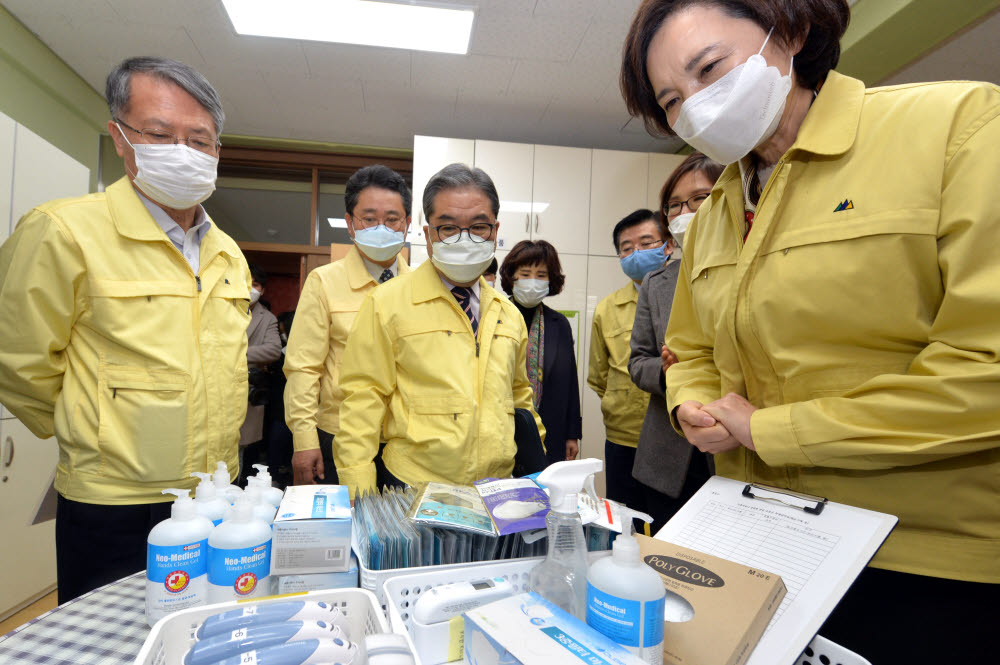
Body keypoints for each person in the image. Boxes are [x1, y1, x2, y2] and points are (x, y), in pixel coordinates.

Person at [620, 1, 999, 661]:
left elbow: (983, 370)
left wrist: (771, 429)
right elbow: (691, 347)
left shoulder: (956, 126)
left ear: (790, 30)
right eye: (673, 101)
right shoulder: (716, 214)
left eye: (711, 68)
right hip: (759, 536)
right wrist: (692, 400)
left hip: (921, 558)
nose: (699, 108)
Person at [0, 56, 249, 602]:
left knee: (203, 627)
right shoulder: (64, 230)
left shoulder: (227, 251)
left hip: (213, 495)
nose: (183, 152)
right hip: (113, 501)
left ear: (216, 153)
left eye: (199, 140)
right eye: (160, 134)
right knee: (109, 643)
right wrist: (95, 433)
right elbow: (19, 363)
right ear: (120, 137)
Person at [335, 163, 545, 498]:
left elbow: (520, 399)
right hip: (413, 487)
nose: (464, 239)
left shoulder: (508, 314)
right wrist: (358, 496)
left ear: (495, 230)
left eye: (478, 227)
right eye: (448, 228)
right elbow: (362, 403)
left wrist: (535, 474)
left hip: (496, 490)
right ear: (428, 233)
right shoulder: (387, 303)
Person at [283, 165, 413, 486]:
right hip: (339, 435)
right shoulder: (324, 282)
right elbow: (303, 368)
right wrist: (304, 440)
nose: (381, 227)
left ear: (407, 224)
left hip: (408, 441)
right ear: (351, 224)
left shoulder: (422, 289)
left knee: (401, 534)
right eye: (369, 219)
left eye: (392, 218)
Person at [627, 152, 722, 533]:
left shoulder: (757, 271)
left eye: (699, 199)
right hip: (668, 453)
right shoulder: (657, 283)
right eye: (674, 205)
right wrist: (668, 373)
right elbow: (637, 362)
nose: (686, 212)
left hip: (737, 448)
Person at [588, 209, 672, 517]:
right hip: (625, 437)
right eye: (626, 248)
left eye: (647, 242)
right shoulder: (607, 309)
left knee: (668, 520)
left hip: (676, 435)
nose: (636, 253)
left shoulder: (688, 296)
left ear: (669, 245)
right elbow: (598, 376)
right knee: (626, 521)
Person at [499, 240, 582, 466]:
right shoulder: (495, 316)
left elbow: (570, 383)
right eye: (525, 274)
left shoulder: (559, 324)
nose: (532, 281)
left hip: (550, 429)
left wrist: (572, 433)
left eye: (541, 275)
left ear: (551, 279)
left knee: (543, 494)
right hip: (500, 426)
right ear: (511, 277)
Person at [238, 264, 282, 483]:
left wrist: (233, 353)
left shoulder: (268, 319)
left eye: (255, 284)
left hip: (249, 391)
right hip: (215, 388)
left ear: (262, 290)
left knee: (248, 449)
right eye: (247, 282)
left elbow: (273, 350)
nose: (250, 288)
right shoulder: (223, 309)